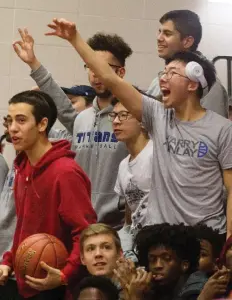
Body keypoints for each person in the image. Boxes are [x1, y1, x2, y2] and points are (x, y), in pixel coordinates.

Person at [44, 18, 232, 237]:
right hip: (161, 237)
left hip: (205, 238)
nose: (163, 80)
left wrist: (229, 239)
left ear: (193, 83)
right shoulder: (157, 115)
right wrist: (75, 39)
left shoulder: (222, 129)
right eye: (163, 73)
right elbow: (109, 78)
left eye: (172, 74)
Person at [13, 28, 132, 230]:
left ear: (120, 72)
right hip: (78, 224)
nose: (95, 74)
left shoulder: (132, 119)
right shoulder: (82, 119)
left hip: (115, 228)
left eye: (101, 67)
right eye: (90, 66)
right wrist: (34, 64)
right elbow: (61, 104)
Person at [0, 90, 97, 300]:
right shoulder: (22, 168)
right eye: (9, 121)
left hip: (55, 285)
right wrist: (7, 262)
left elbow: (86, 233)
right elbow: (23, 228)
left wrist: (64, 275)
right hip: (24, 280)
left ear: (42, 125)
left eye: (21, 120)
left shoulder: (66, 172)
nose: (12, 128)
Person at [147, 9, 228, 118]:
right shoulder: (156, 82)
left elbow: (212, 132)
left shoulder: (207, 86)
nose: (159, 38)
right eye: (159, 32)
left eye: (167, 33)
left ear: (187, 41)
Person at [110, 94, 153, 259]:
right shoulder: (123, 165)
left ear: (142, 120)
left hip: (161, 244)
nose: (115, 121)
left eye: (123, 115)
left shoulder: (156, 154)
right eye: (113, 115)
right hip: (138, 245)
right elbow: (130, 216)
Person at [128, 223, 207, 300]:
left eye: (166, 258)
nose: (157, 265)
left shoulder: (195, 291)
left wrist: (136, 297)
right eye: (152, 259)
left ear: (184, 265)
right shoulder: (156, 289)